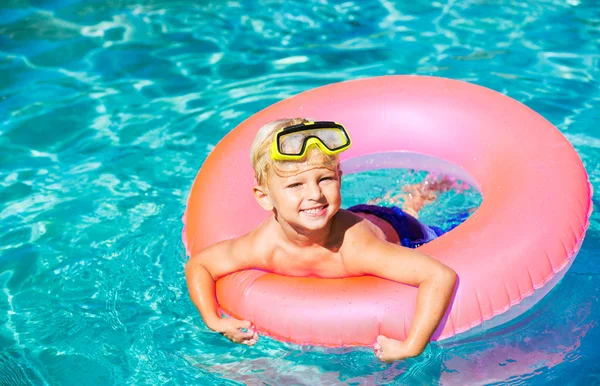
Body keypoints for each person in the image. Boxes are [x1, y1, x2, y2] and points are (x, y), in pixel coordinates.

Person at [185, 118, 458, 363]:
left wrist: (412, 346)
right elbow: (201, 266)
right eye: (295, 185)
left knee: (422, 214)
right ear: (264, 197)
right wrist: (213, 320)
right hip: (355, 216)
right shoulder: (264, 245)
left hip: (402, 230)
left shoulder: (355, 249)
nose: (315, 194)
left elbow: (438, 275)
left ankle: (427, 190)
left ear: (340, 178)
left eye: (325, 179)